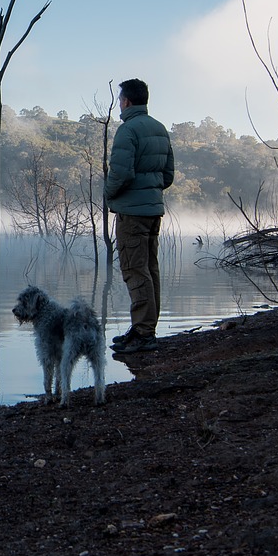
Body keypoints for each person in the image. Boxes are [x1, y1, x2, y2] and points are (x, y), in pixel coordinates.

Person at [105, 79, 174, 354]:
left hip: (132, 214)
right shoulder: (159, 128)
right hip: (153, 211)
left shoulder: (127, 130)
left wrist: (110, 195)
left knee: (135, 271)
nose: (120, 103)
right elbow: (167, 175)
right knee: (150, 269)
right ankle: (143, 328)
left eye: (120, 99)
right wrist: (151, 192)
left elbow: (121, 174)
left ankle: (144, 334)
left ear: (126, 101)